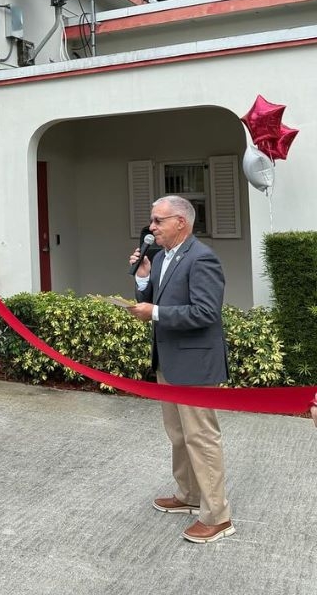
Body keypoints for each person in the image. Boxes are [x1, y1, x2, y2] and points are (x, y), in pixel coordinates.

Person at [127, 196, 234, 544]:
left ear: (181, 223)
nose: (152, 227)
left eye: (158, 221)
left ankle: (217, 517)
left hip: (195, 365)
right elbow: (154, 300)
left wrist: (155, 313)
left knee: (201, 438)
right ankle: (188, 495)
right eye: (152, 221)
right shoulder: (160, 257)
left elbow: (206, 312)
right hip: (168, 361)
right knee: (178, 435)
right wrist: (143, 278)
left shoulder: (202, 258)